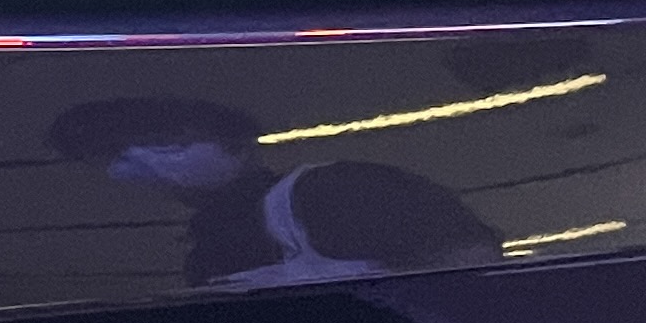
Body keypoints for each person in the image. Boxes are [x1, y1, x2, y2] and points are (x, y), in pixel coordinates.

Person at [47, 96, 494, 288]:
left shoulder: (336, 189)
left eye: (167, 140)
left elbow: (475, 269)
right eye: (116, 154)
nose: (143, 159)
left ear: (240, 144)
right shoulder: (205, 256)